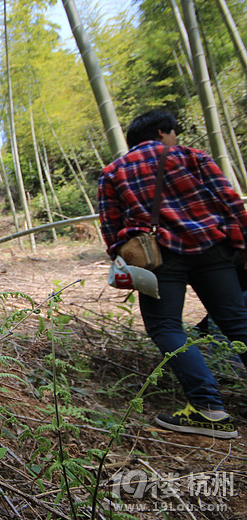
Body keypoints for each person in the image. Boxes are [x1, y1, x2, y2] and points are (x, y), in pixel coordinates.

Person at [98, 109, 247, 439]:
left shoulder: (113, 172)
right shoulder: (193, 157)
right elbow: (230, 202)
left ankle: (209, 409)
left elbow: (110, 227)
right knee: (237, 322)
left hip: (159, 257)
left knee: (165, 326)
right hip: (213, 247)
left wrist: (121, 256)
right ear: (164, 131)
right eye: (174, 133)